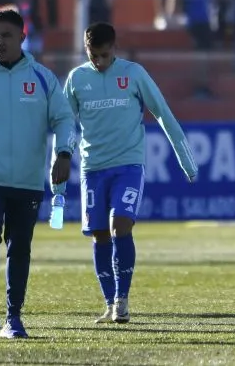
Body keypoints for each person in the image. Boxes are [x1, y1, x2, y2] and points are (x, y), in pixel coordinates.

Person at [64, 22, 199, 324]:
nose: (99, 62)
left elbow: (162, 112)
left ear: (114, 48)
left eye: (104, 55)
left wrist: (186, 161)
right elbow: (63, 122)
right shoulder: (76, 79)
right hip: (92, 168)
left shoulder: (134, 74)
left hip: (128, 165)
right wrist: (58, 162)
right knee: (99, 235)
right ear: (86, 51)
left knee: (119, 225)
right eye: (93, 55)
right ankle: (110, 301)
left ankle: (122, 299)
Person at [0, 9, 76, 338]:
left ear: (23, 38)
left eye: (6, 35)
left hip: (27, 180)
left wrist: (64, 152)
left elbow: (64, 120)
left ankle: (14, 317)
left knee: (20, 247)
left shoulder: (42, 78)